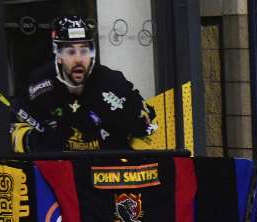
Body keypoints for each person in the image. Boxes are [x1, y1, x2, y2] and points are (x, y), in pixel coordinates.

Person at [11, 16, 156, 152]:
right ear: (58, 55)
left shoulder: (112, 82)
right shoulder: (39, 83)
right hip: (59, 168)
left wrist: (138, 123)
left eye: (84, 50)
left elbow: (149, 124)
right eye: (71, 51)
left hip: (107, 166)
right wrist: (33, 141)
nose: (79, 59)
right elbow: (14, 125)